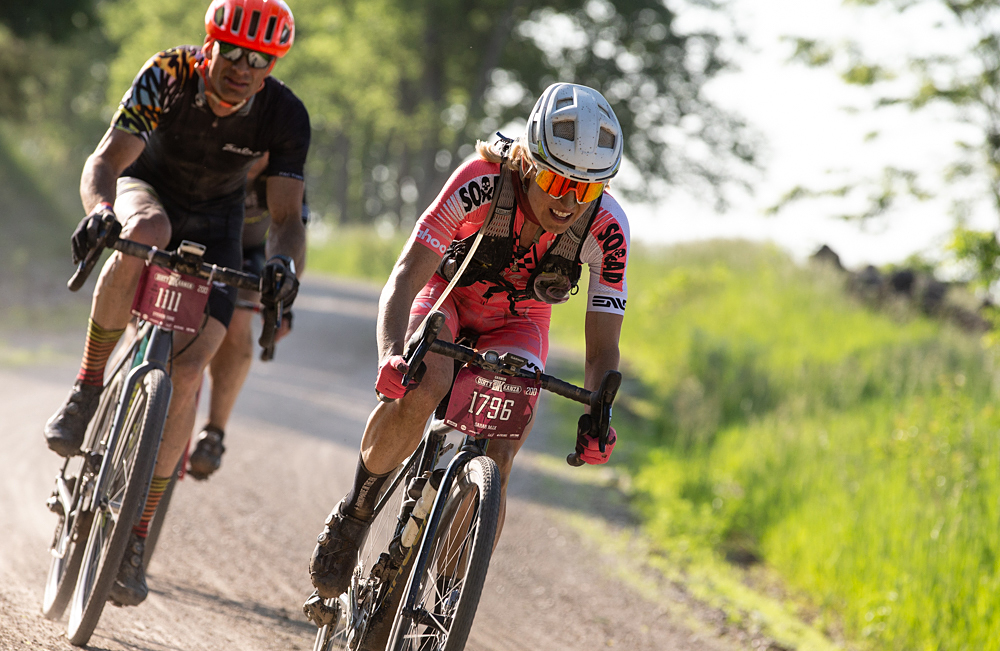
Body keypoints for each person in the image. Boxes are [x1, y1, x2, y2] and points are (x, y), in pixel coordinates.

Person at [308, 82, 629, 599]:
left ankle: (447, 602)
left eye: (587, 189)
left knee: (502, 449)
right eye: (555, 180)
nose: (570, 201)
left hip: (521, 321)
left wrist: (597, 414)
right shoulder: (480, 181)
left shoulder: (609, 227)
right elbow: (407, 275)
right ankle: (355, 514)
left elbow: (602, 349)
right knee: (424, 385)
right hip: (448, 297)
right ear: (528, 161)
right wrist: (391, 353)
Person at [43, 0, 309, 608]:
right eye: (233, 52)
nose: (243, 68)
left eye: (260, 59)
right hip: (149, 191)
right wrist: (100, 212)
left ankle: (136, 536)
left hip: (219, 219)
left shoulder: (285, 115)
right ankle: (87, 388)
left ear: (273, 65)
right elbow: (106, 161)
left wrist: (283, 267)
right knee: (146, 234)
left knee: (189, 371)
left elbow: (289, 218)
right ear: (208, 45)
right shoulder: (167, 72)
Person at [187, 153, 308, 480]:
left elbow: (295, 241)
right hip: (198, 235)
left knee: (239, 319)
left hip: (249, 253)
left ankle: (214, 431)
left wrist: (283, 306)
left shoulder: (286, 171)